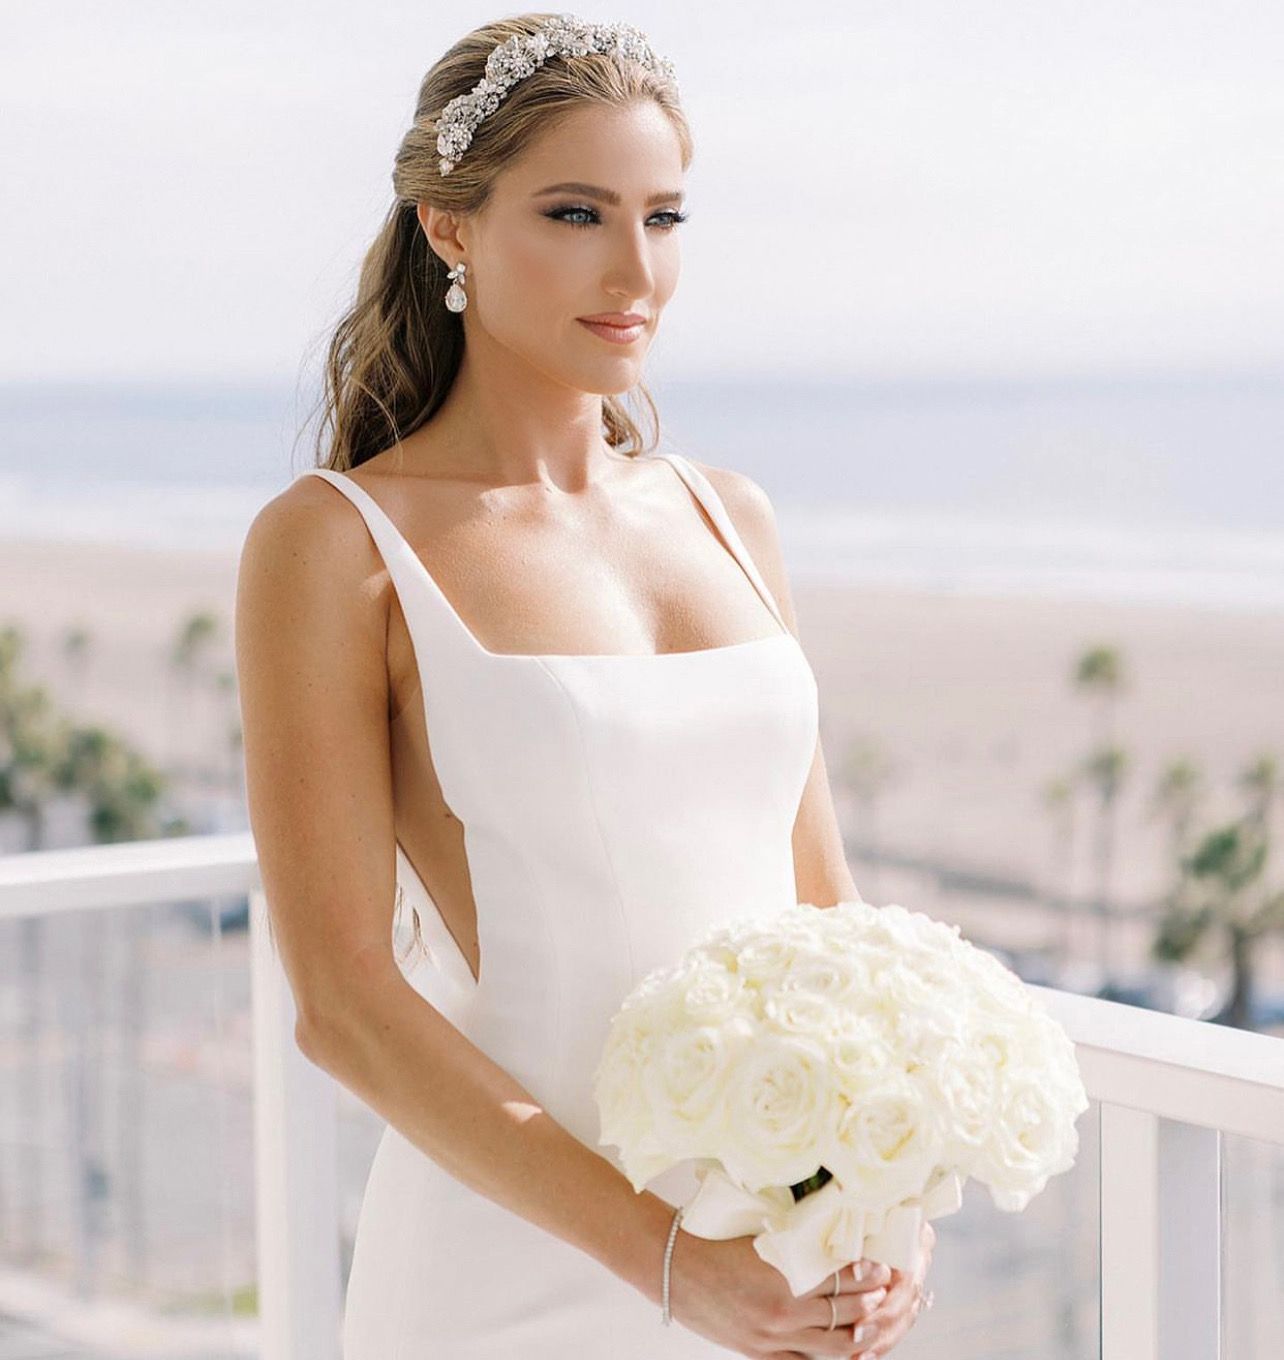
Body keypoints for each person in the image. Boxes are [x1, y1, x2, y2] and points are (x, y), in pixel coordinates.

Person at [235, 12, 934, 1359]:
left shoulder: (730, 514)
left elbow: (829, 915)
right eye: (575, 213)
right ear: (451, 229)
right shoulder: (334, 546)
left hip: (774, 1258)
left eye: (664, 216)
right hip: (519, 1264)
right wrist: (672, 1267)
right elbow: (345, 1006)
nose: (636, 271)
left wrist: (883, 1209)